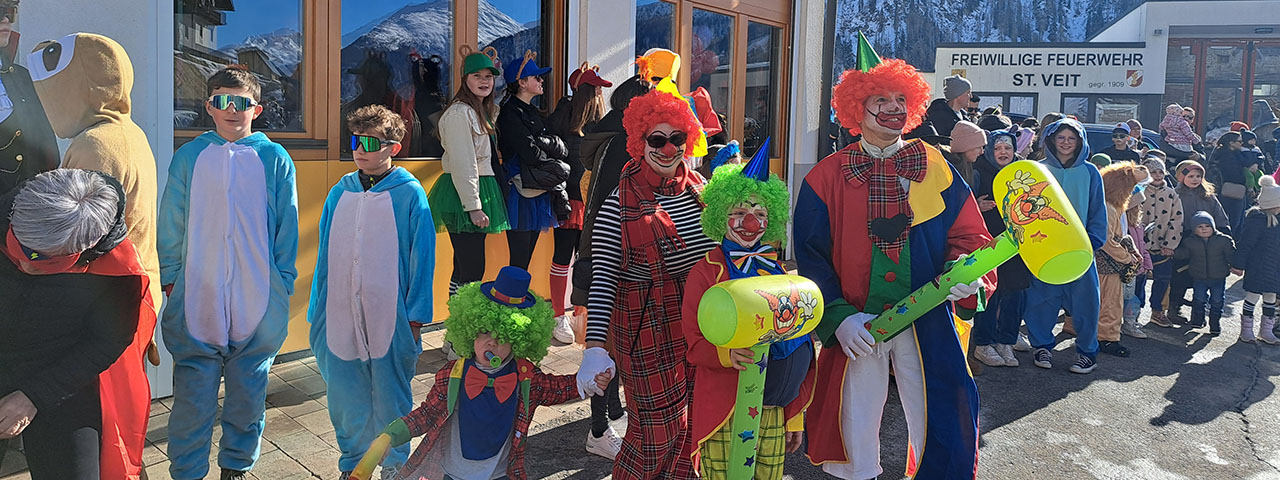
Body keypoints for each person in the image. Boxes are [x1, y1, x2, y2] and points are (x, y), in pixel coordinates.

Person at [795, 56, 993, 479]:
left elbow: (970, 234)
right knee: (852, 422)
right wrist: (838, 316)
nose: (893, 107)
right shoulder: (825, 176)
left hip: (928, 316)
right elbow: (811, 256)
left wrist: (967, 273)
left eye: (901, 99)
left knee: (941, 414)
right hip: (859, 322)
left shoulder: (936, 167)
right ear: (857, 109)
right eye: (880, 99)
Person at [28, 32, 161, 479]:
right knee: (122, 412)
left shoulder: (96, 144)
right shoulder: (128, 132)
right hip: (132, 291)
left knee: (106, 422)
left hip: (104, 299)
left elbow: (73, 236)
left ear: (81, 87)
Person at [159, 65, 299, 480]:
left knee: (248, 394)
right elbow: (172, 220)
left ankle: (236, 465)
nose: (232, 109)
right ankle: (187, 470)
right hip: (197, 297)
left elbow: (287, 225)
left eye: (241, 102)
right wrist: (171, 278)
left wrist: (281, 283)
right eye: (222, 101)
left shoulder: (275, 158)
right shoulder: (189, 156)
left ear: (257, 109)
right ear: (209, 106)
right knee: (192, 397)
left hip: (257, 296)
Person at [578, 89, 719, 479]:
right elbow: (603, 278)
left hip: (703, 322)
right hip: (647, 328)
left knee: (694, 422)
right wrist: (595, 348)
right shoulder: (617, 204)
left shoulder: (703, 190)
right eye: (657, 139)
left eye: (677, 138)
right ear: (639, 142)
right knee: (655, 431)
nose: (668, 148)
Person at [370, 267, 610, 480]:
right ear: (471, 330)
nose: (491, 343)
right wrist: (391, 435)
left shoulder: (526, 378)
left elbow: (558, 389)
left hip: (501, 474)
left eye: (503, 336)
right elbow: (426, 414)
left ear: (518, 339)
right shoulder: (452, 375)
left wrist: (590, 379)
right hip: (451, 473)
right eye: (484, 331)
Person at [309, 105, 435, 479]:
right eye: (355, 142)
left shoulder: (410, 194)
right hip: (338, 313)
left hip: (390, 316)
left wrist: (416, 317)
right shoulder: (339, 192)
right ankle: (353, 464)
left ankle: (394, 463)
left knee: (391, 395)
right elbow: (324, 255)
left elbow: (422, 257)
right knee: (345, 395)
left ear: (393, 148)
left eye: (369, 143)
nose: (360, 150)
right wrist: (317, 310)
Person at [0, 169, 151, 480]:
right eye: (19, 248)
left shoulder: (115, 269)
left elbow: (108, 340)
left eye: (43, 259)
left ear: (84, 252)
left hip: (59, 376)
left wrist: (34, 396)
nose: (26, 264)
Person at [682, 153, 815, 479]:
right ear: (720, 215)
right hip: (724, 407)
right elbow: (693, 343)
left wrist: (794, 415)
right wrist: (727, 355)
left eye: (760, 213)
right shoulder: (706, 272)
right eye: (740, 212)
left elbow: (797, 342)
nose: (750, 223)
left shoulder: (777, 270)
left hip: (772, 409)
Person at [568, 75, 650, 461]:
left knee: (612, 342)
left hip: (607, 252)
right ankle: (599, 431)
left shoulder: (611, 137)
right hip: (612, 256)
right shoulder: (622, 142)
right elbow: (614, 206)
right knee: (607, 345)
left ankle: (612, 412)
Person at [1024, 118, 1108, 373]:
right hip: (1045, 248)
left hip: (1080, 249)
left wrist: (1093, 241)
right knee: (1041, 300)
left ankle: (1087, 352)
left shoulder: (1090, 172)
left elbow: (1097, 209)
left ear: (1080, 142)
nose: (1066, 143)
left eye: (1071, 138)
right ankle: (1041, 346)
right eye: (1061, 137)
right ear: (1051, 139)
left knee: (1086, 302)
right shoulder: (1038, 170)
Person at [430, 47, 508, 295]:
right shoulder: (459, 114)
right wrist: (473, 206)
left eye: (489, 76)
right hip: (463, 194)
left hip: (477, 189)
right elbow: (463, 162)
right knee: (472, 268)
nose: (484, 81)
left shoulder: (481, 111)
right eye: (477, 76)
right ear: (465, 80)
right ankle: (464, 316)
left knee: (465, 266)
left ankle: (457, 317)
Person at [546, 63, 611, 345]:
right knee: (562, 257)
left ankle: (580, 314)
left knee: (587, 261)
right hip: (568, 200)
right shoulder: (561, 119)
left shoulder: (601, 124)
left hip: (592, 202)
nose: (599, 95)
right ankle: (558, 316)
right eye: (595, 89)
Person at [497, 50, 568, 270]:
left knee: (525, 260)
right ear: (521, 82)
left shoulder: (531, 111)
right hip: (520, 190)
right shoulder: (510, 113)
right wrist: (549, 147)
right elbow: (531, 153)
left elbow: (549, 149)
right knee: (519, 260)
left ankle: (520, 293)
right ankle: (512, 294)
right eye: (536, 77)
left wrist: (544, 146)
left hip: (535, 187)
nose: (541, 81)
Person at [971, 129, 1031, 367]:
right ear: (989, 150)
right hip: (990, 243)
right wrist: (976, 206)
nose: (1003, 152)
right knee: (990, 294)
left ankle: (1006, 341)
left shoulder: (1023, 172)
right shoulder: (979, 172)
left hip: (1018, 244)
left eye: (1008, 148)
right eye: (997, 148)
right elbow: (963, 206)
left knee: (1016, 294)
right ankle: (983, 344)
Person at [0, 1, 58, 195]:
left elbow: (46, 150)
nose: (6, 20)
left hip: (28, 201)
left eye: (10, 12)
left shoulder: (23, 77)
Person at [1095, 162, 1150, 356]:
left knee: (1104, 301)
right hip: (1108, 263)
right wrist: (1127, 257)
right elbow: (1107, 240)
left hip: (1105, 261)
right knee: (1110, 303)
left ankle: (1096, 335)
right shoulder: (1109, 208)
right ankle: (1107, 338)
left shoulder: (1111, 206)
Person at [1166, 160, 1229, 324]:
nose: (1195, 179)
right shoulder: (1175, 195)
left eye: (1198, 176)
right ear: (1181, 177)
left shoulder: (1208, 196)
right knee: (1180, 276)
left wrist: (1223, 234)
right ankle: (1174, 307)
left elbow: (1220, 217)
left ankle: (1198, 312)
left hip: (1207, 240)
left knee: (1203, 278)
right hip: (1184, 239)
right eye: (1191, 176)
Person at [1232, 175, 1280, 344]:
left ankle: (1266, 331)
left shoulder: (1277, 221)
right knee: (1252, 296)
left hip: (1274, 267)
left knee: (1270, 299)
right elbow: (1246, 244)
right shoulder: (1258, 221)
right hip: (1258, 267)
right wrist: (1238, 264)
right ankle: (1246, 330)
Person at [1138, 158, 1184, 328]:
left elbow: (1177, 220)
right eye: (1153, 172)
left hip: (1162, 247)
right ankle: (1133, 312)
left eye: (1160, 172)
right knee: (1138, 280)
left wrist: (1170, 244)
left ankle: (1158, 311)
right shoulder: (1139, 192)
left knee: (1163, 279)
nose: (1157, 176)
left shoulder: (1171, 194)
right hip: (1141, 247)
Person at [1174, 212, 1235, 335]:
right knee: (1199, 299)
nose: (1204, 229)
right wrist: (1172, 252)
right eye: (1200, 227)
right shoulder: (1190, 242)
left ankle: (1215, 323)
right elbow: (1183, 254)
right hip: (1199, 277)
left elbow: (1231, 255)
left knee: (1217, 301)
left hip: (1218, 277)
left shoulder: (1223, 240)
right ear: (1194, 229)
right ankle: (1198, 320)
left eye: (1207, 226)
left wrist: (1236, 265)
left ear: (1213, 226)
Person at [1211, 131, 1248, 230]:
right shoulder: (1227, 156)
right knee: (1235, 221)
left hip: (1229, 189)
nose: (1242, 143)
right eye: (1239, 141)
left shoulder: (1231, 154)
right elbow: (1233, 174)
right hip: (1232, 190)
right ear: (1231, 143)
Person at [944, 120, 986, 186]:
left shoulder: (967, 167)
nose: (982, 152)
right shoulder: (948, 172)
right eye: (978, 147)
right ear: (965, 147)